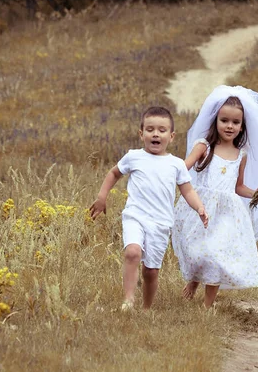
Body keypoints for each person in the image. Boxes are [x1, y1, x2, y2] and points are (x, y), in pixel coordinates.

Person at [172, 85, 258, 308]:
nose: (229, 126)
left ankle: (208, 306)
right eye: (224, 120)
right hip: (202, 207)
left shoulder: (240, 155)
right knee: (199, 251)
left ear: (242, 126)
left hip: (227, 212)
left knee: (218, 254)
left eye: (235, 122)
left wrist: (257, 193)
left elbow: (238, 187)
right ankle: (195, 280)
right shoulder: (204, 147)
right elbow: (183, 169)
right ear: (215, 121)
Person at [90, 106, 209, 310]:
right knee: (132, 252)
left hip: (161, 223)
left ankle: (146, 309)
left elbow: (188, 191)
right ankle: (128, 300)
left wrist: (199, 208)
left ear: (171, 137)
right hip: (135, 216)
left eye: (162, 130)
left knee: (151, 271)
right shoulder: (134, 157)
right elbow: (113, 174)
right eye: (150, 129)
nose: (155, 134)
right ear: (141, 133)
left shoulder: (176, 164)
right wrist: (102, 197)